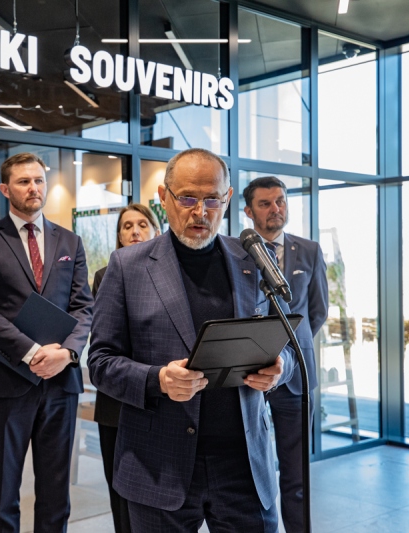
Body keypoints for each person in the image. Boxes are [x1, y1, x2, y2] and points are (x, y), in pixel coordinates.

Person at [88, 148, 294, 532]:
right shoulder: (127, 267)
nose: (200, 212)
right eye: (187, 198)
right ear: (164, 198)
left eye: (212, 199)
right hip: (159, 463)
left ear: (227, 200)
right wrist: (157, 380)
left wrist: (280, 369)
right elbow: (100, 362)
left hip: (244, 465)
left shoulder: (253, 259)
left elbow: (286, 341)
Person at [0, 152, 93, 533]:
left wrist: (67, 353)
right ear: (5, 189)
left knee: (56, 490)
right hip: (8, 381)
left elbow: (85, 306)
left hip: (61, 383)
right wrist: (35, 353)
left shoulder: (70, 240)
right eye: (23, 181)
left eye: (38, 180)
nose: (33, 188)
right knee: (4, 489)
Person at [243, 176, 328, 533]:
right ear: (248, 211)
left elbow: (317, 311)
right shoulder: (235, 250)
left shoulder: (309, 250)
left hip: (296, 377)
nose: (276, 209)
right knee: (248, 470)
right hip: (247, 376)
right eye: (265, 203)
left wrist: (291, 351)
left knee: (297, 473)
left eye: (280, 201)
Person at [92, 203, 161, 533]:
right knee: (121, 495)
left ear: (157, 230)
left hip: (164, 402)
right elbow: (106, 343)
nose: (135, 231)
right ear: (118, 237)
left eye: (143, 224)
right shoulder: (105, 277)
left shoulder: (174, 275)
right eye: (127, 226)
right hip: (117, 404)